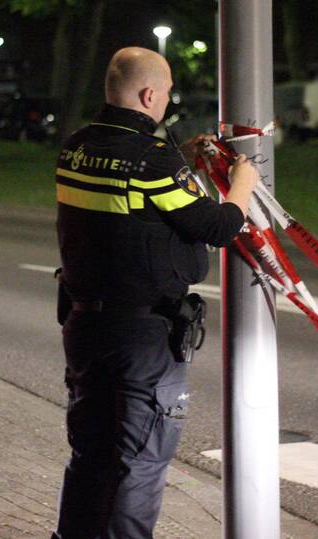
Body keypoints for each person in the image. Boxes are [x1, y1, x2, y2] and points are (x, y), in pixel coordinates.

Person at [52, 46, 258, 538]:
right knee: (139, 461)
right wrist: (244, 182)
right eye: (165, 94)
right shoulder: (151, 159)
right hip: (142, 338)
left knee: (92, 455)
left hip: (85, 328)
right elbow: (218, 224)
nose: (166, 102)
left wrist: (182, 160)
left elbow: (133, 196)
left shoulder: (76, 147)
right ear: (149, 94)